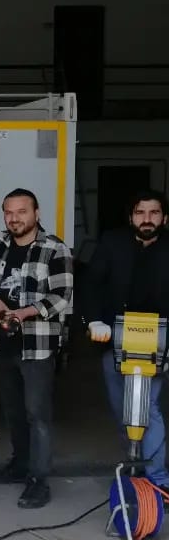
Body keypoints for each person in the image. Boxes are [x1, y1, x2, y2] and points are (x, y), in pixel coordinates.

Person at [0, 189, 73, 509]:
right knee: (14, 412)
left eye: (21, 211)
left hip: (37, 347)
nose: (14, 218)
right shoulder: (0, 243)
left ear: (36, 213)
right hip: (3, 343)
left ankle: (38, 480)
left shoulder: (55, 248)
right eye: (9, 212)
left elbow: (61, 297)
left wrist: (23, 313)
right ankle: (20, 465)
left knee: (38, 415)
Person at [81, 189, 169, 489]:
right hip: (116, 339)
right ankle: (136, 468)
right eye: (140, 212)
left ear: (164, 218)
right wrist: (93, 321)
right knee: (125, 412)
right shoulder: (112, 243)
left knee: (147, 408)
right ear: (131, 217)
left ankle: (157, 480)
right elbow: (91, 284)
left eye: (154, 212)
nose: (147, 219)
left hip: (158, 342)